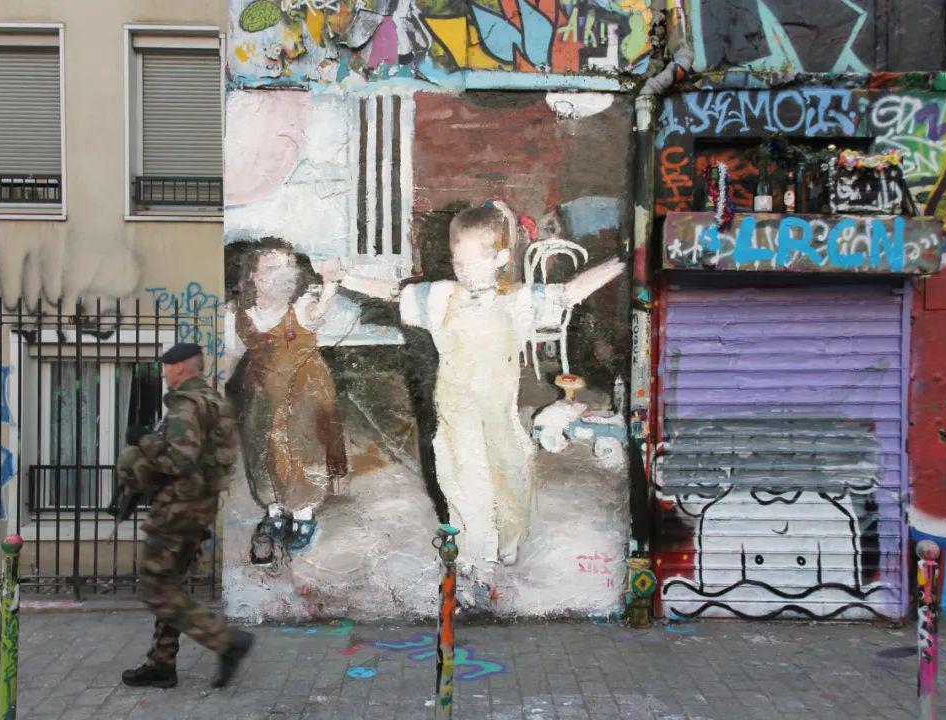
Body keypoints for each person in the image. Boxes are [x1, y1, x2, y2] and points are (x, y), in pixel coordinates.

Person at [321, 201, 624, 585]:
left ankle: (508, 538)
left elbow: (568, 292)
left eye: (471, 262)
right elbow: (394, 292)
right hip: (455, 409)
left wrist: (622, 262)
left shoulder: (517, 301)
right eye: (457, 261)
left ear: (500, 258)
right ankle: (473, 553)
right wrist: (345, 276)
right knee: (463, 478)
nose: (462, 271)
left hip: (499, 412)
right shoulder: (441, 296)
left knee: (510, 473)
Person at [115, 343, 253, 689]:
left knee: (156, 590)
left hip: (176, 512)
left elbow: (179, 460)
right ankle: (161, 664)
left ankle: (226, 641)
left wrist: (143, 440)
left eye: (166, 367)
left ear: (179, 368)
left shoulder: (185, 406)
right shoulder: (214, 403)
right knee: (170, 586)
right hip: (199, 508)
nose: (163, 373)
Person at [228, 239, 347, 567]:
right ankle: (275, 510)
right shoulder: (241, 313)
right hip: (262, 390)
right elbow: (232, 353)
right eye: (272, 269)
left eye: (289, 269)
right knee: (262, 447)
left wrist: (330, 286)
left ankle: (303, 514)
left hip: (304, 389)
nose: (283, 276)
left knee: (302, 448)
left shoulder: (301, 307)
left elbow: (319, 312)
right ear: (252, 277)